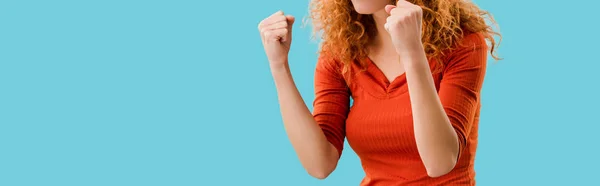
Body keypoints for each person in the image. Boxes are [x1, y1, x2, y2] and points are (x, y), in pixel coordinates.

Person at [257, 0, 500, 185]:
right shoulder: (341, 52)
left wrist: (412, 53)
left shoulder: (463, 43)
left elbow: (440, 162)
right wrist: (279, 67)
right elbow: (320, 164)